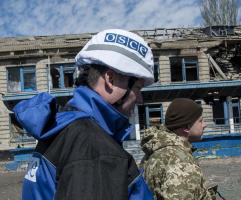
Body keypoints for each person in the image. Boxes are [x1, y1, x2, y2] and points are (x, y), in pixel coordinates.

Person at [14, 29, 154, 200]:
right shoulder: (94, 147)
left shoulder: (65, 126)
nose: (140, 99)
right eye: (138, 88)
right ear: (110, 79)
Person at [140, 98, 216, 200]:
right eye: (200, 121)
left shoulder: (155, 152)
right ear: (186, 127)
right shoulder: (181, 161)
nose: (204, 125)